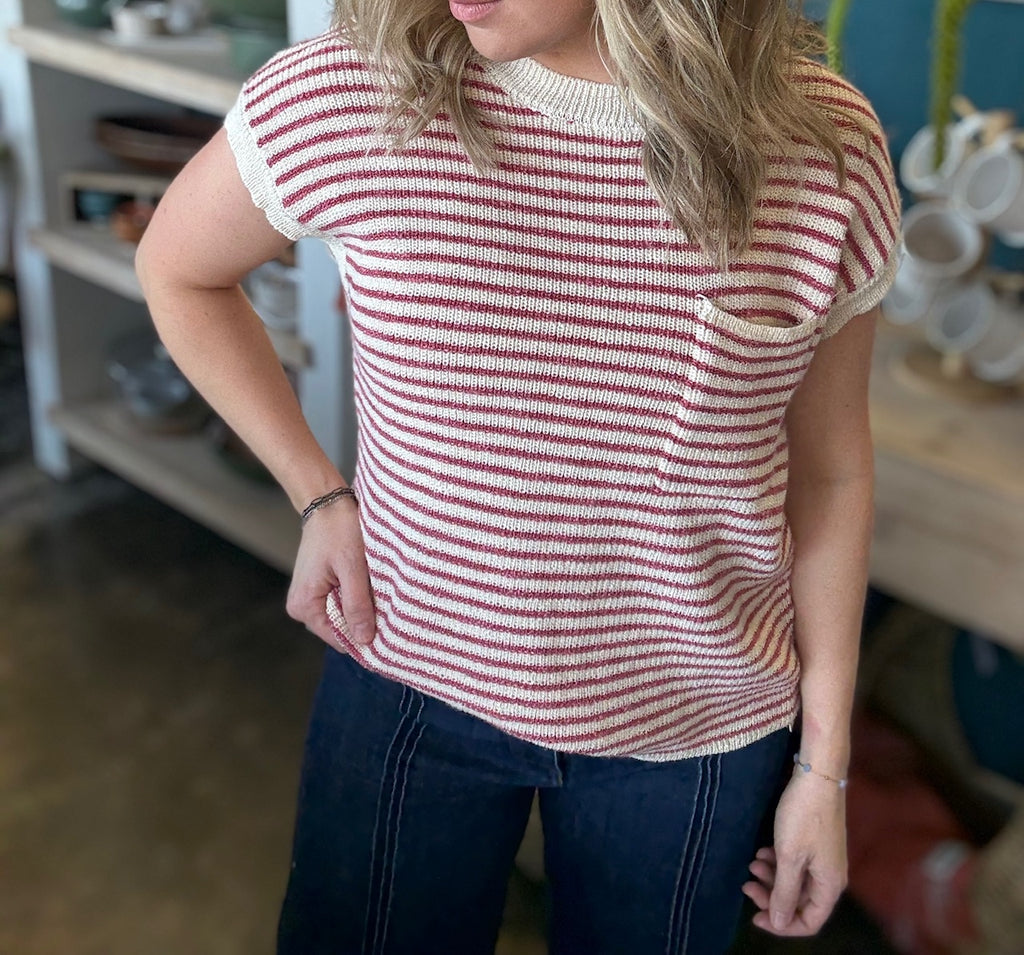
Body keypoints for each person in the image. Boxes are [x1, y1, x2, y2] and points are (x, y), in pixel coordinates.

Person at [136, 0, 901, 952]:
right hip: (410, 674)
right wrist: (320, 495)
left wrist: (823, 771)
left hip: (697, 728)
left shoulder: (821, 146)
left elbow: (829, 472)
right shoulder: (354, 93)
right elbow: (178, 269)